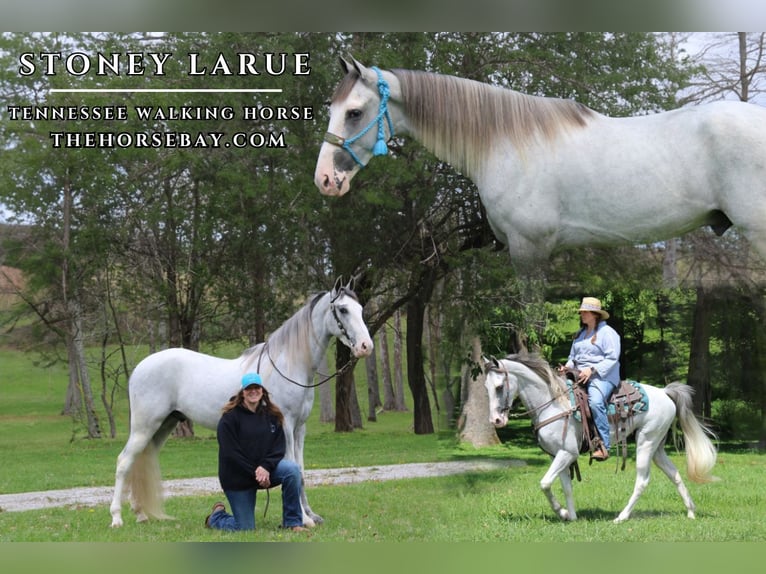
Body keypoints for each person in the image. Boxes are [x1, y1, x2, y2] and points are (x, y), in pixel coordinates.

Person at [205, 372, 307, 532]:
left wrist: (266, 467)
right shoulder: (229, 418)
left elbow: (278, 448)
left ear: (262, 390)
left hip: (264, 472)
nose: (253, 391)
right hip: (238, 478)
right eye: (249, 388)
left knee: (292, 470)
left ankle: (292, 522)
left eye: (256, 387)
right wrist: (257, 473)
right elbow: (231, 453)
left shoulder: (272, 415)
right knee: (244, 528)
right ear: (242, 393)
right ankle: (216, 517)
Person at [559, 297, 621, 461]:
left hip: (603, 376)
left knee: (595, 402)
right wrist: (566, 367)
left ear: (595, 314)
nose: (582, 314)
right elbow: (573, 357)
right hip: (579, 375)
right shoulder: (580, 334)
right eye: (581, 312)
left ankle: (604, 445)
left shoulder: (608, 333)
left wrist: (592, 370)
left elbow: (612, 358)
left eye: (585, 312)